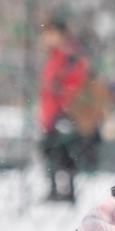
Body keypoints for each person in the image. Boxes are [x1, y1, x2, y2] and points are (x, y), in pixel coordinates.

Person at [36, 18, 93, 202]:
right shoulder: (54, 56)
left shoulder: (70, 56)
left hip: (63, 114)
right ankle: (54, 189)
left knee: (65, 153)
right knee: (50, 152)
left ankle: (67, 191)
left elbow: (73, 84)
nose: (46, 38)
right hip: (50, 115)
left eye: (50, 34)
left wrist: (63, 109)